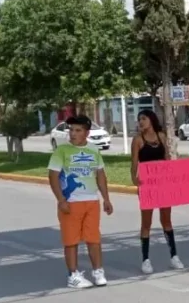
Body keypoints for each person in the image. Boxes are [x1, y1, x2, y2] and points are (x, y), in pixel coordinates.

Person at [47, 115, 114, 289]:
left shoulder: (93, 150)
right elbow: (52, 176)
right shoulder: (61, 151)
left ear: (86, 132)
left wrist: (106, 198)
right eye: (71, 130)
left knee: (94, 239)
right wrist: (61, 199)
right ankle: (73, 276)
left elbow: (100, 175)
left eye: (78, 130)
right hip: (70, 202)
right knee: (71, 240)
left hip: (91, 201)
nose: (73, 133)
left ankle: (98, 272)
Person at [130, 110, 182, 274]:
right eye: (139, 119)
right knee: (146, 223)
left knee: (166, 220)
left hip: (162, 183)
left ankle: (174, 256)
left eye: (143, 119)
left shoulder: (161, 136)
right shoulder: (138, 140)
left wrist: (179, 174)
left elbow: (167, 159)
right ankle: (145, 259)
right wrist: (134, 179)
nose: (141, 122)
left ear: (151, 120)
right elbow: (134, 163)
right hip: (147, 184)